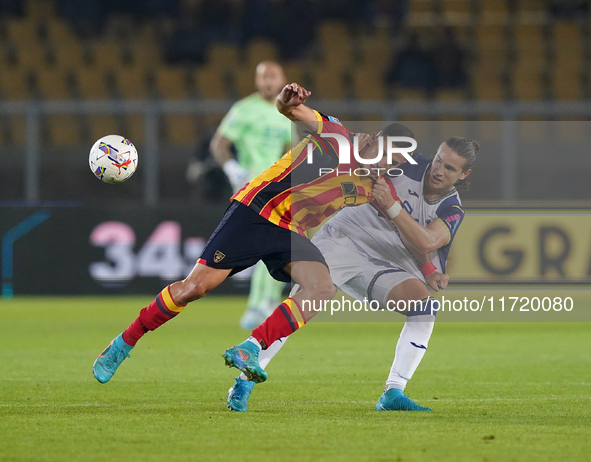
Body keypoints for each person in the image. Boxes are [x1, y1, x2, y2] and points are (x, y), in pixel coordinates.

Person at [92, 82, 411, 384]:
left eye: (392, 165)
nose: (384, 167)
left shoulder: (376, 186)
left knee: (322, 288)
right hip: (255, 209)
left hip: (289, 231)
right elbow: (289, 109)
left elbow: (403, 226)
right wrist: (288, 99)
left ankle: (251, 347)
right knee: (194, 288)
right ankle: (124, 341)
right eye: (385, 157)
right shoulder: (336, 135)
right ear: (371, 139)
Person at [226, 137, 479, 412]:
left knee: (424, 307)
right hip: (343, 240)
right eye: (439, 159)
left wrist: (427, 265)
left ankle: (393, 392)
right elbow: (364, 151)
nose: (439, 170)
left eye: (450, 168)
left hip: (384, 261)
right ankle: (244, 380)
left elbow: (427, 241)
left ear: (464, 175)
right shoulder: (406, 163)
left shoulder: (452, 208)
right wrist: (365, 155)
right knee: (304, 304)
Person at [209, 61, 293, 329]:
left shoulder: (287, 113)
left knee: (273, 245)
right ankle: (260, 305)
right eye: (264, 77)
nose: (268, 82)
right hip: (251, 188)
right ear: (257, 81)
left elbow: (292, 150)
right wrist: (232, 169)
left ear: (281, 79)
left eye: (273, 76)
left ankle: (265, 303)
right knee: (266, 245)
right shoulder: (244, 109)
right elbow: (219, 145)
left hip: (277, 188)